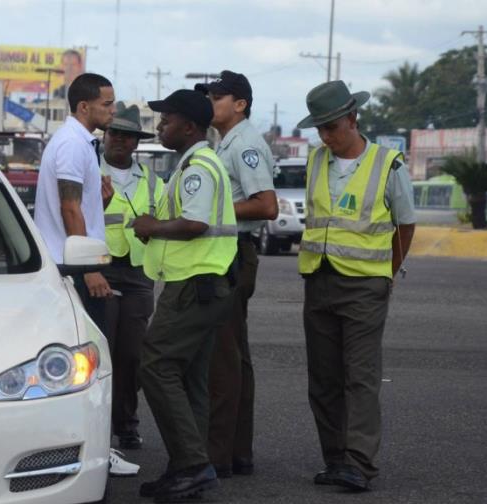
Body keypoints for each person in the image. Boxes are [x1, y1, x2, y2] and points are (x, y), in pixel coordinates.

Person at [295, 80, 416, 491]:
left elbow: (406, 224)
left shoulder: (389, 164)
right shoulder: (315, 161)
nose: (326, 136)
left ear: (352, 119)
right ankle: (335, 458)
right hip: (319, 280)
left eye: (332, 127)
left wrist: (388, 272)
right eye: (320, 129)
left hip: (365, 286)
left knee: (360, 377)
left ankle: (359, 463)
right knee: (324, 378)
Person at [31, 72, 139, 477]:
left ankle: (88, 448)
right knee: (89, 367)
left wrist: (100, 195)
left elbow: (80, 204)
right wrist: (89, 267)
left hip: (76, 264)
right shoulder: (73, 146)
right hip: (77, 269)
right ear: (84, 107)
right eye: (107, 104)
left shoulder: (79, 144)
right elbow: (69, 209)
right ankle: (93, 451)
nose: (113, 110)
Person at [132, 89, 237, 502]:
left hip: (196, 284)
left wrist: (151, 226)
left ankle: (193, 465)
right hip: (201, 283)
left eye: (167, 118)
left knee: (155, 366)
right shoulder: (192, 163)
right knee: (189, 376)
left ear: (189, 126)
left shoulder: (198, 166)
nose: (160, 125)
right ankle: (187, 467)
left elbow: (193, 224)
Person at [195, 70, 278, 478]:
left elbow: (266, 206)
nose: (210, 102)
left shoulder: (244, 144)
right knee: (235, 358)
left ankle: (217, 455)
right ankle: (237, 452)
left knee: (222, 360)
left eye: (216, 96)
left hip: (233, 255)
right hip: (231, 253)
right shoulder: (227, 141)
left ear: (239, 104)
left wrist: (212, 211)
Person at [99, 102, 162, 451]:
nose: (121, 140)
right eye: (115, 133)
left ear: (137, 142)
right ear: (105, 135)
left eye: (128, 136)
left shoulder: (154, 182)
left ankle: (126, 422)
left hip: (138, 272)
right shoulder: (87, 171)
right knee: (101, 352)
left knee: (133, 354)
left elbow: (165, 223)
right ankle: (98, 425)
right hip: (98, 268)